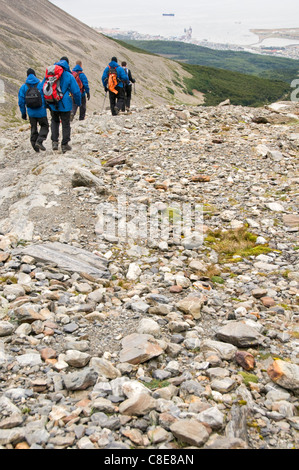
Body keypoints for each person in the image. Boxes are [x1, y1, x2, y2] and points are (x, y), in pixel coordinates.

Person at [43, 57, 81, 153]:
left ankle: (54, 142)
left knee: (54, 121)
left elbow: (42, 88)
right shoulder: (68, 75)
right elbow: (76, 91)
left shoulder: (50, 74)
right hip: (65, 104)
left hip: (53, 103)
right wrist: (78, 102)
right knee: (65, 123)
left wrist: (46, 103)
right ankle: (64, 144)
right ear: (67, 64)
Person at [18, 68, 49, 152]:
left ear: (27, 76)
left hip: (31, 113)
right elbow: (46, 95)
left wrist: (23, 113)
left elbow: (21, 102)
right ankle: (40, 141)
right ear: (35, 75)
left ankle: (34, 145)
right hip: (41, 112)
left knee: (33, 128)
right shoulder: (40, 84)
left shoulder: (24, 87)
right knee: (45, 126)